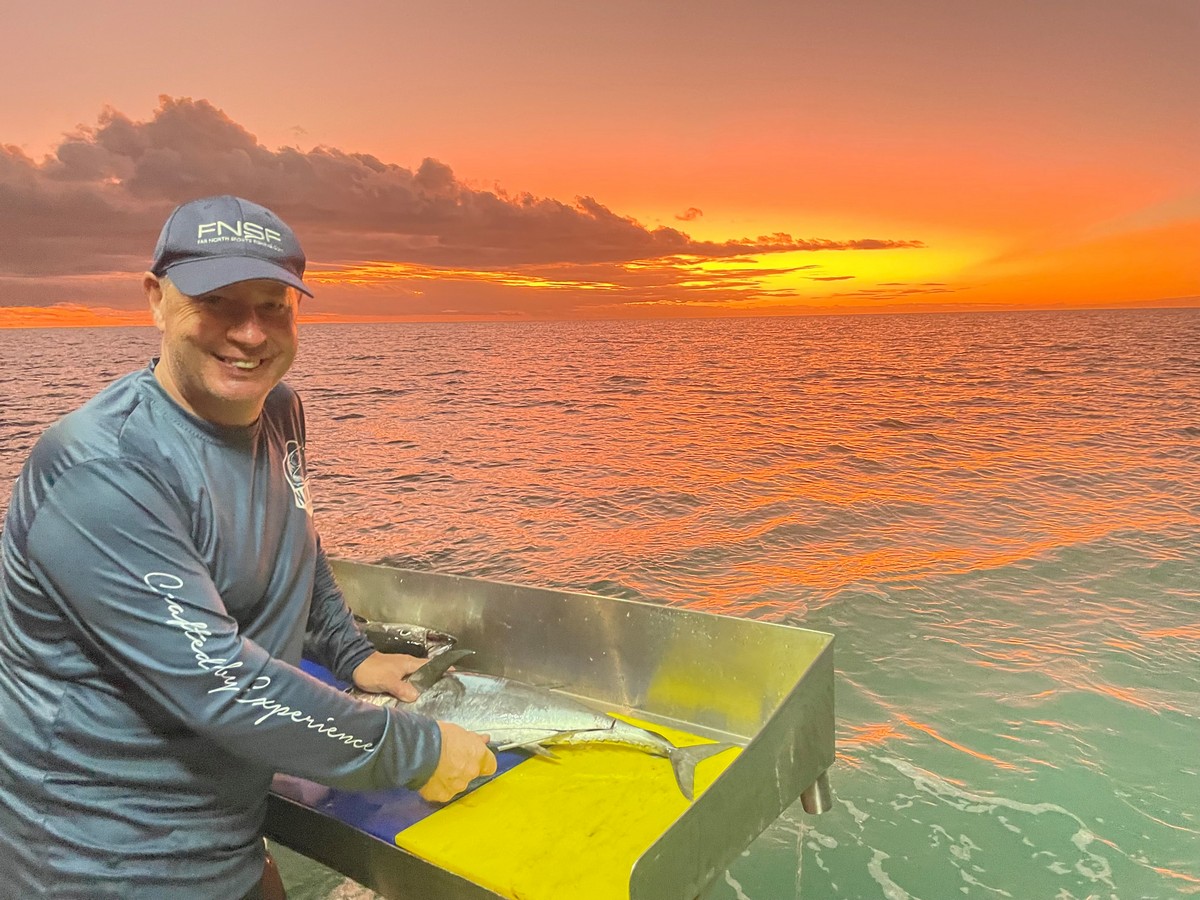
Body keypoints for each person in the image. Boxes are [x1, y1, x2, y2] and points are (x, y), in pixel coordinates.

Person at [0, 195, 497, 899]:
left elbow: (296, 538)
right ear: (157, 300)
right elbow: (222, 685)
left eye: (274, 304)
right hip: (98, 860)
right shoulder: (103, 469)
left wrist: (349, 652)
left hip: (223, 828)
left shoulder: (278, 410)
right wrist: (415, 752)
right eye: (219, 302)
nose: (250, 333)